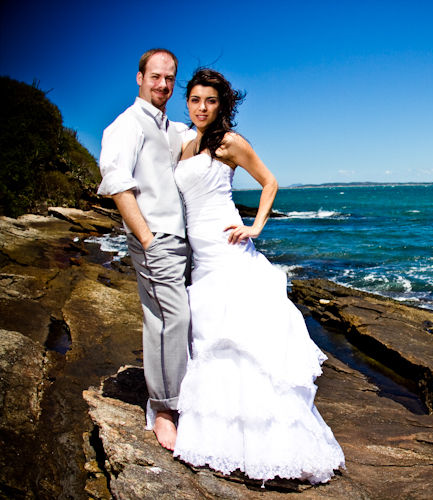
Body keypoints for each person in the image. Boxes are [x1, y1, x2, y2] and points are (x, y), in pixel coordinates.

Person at [172, 68, 345, 484]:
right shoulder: (185, 144)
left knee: (243, 342)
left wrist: (256, 226)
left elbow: (269, 181)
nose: (202, 107)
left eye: (210, 101)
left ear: (222, 104)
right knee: (212, 339)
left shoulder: (229, 142)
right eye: (195, 99)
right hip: (202, 258)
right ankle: (218, 438)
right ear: (188, 102)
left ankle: (268, 448)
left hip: (230, 251)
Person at [97, 48, 193, 451]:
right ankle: (165, 411)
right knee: (170, 319)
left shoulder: (171, 127)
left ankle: (181, 399)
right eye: (155, 77)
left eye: (170, 78)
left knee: (175, 319)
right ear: (139, 78)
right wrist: (147, 239)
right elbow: (117, 181)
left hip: (181, 240)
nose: (163, 85)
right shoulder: (127, 124)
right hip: (155, 238)